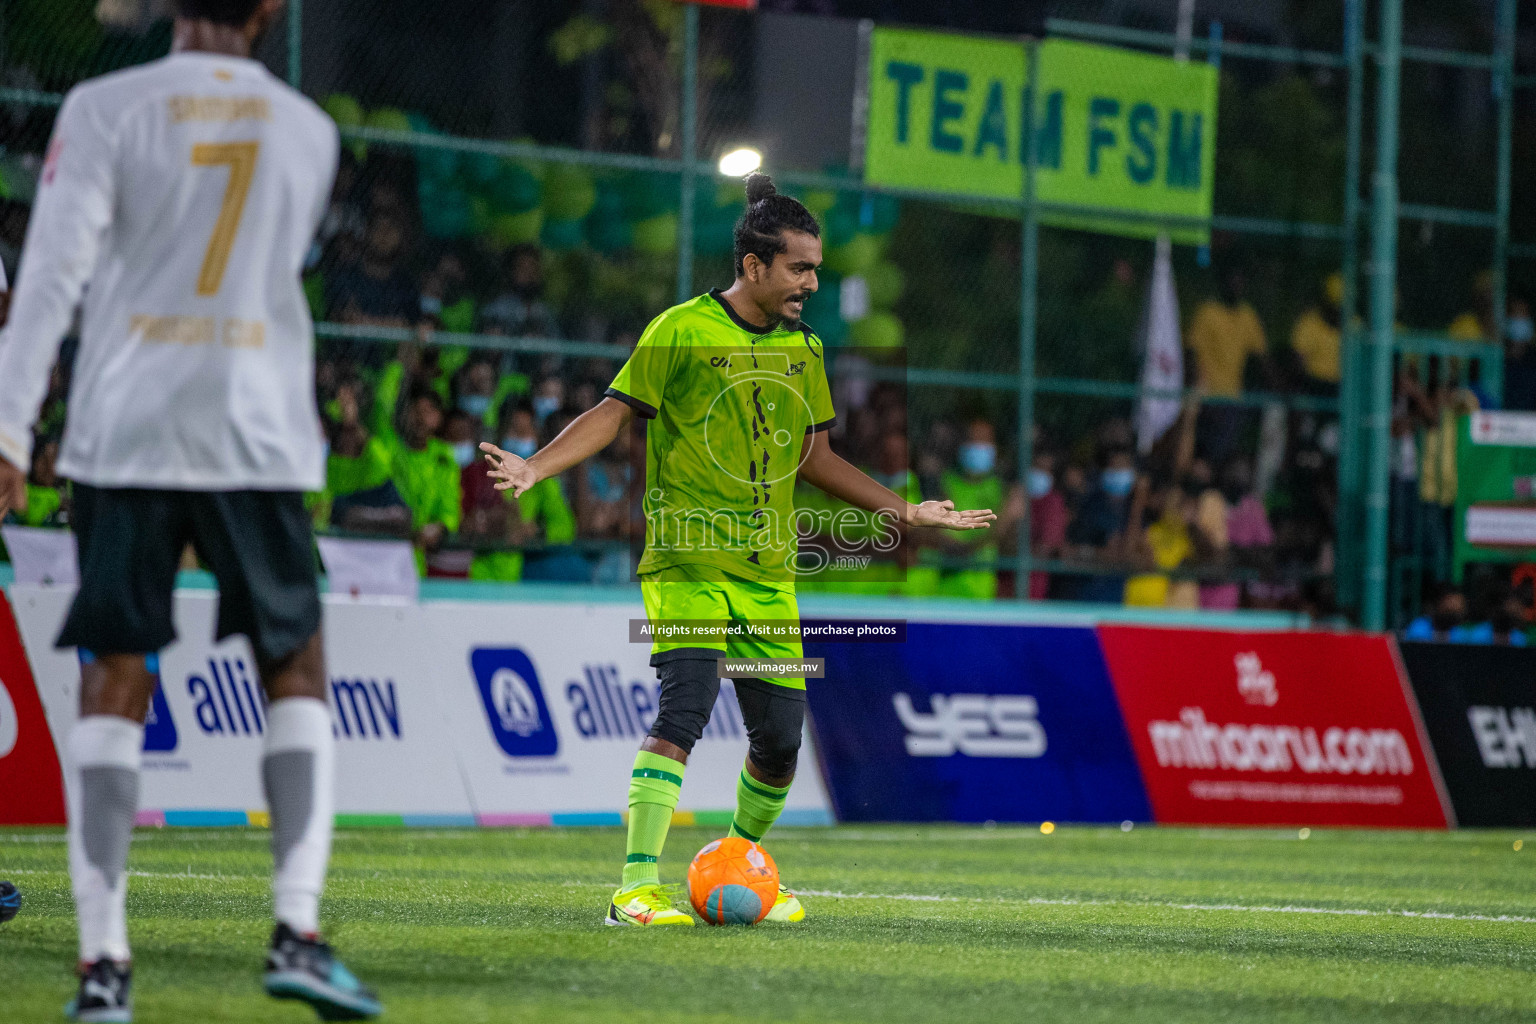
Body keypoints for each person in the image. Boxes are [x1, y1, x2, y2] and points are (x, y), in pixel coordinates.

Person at [477, 172, 994, 928]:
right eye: (799, 268)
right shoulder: (679, 330)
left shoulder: (804, 347)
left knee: (781, 742)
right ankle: (634, 888)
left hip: (766, 575)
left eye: (816, 267)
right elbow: (613, 414)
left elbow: (816, 459)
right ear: (754, 266)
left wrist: (905, 510)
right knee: (685, 706)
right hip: (687, 562)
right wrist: (536, 466)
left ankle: (740, 861)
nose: (812, 283)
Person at [0, 2, 380, 1020]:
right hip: (252, 432)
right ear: (268, 12)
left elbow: (49, 280)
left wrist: (4, 428)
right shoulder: (309, 128)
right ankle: (297, 929)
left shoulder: (105, 104)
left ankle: (102, 965)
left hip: (124, 430)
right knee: (295, 663)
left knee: (114, 674)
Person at [1186, 265, 1269, 465]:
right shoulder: (1207, 313)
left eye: (1240, 281)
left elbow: (1262, 359)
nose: (1236, 286)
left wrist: (1284, 391)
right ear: (1222, 282)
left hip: (1232, 400)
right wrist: (1194, 389)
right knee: (1199, 456)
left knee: (1223, 457)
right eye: (1232, 280)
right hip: (1204, 399)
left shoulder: (1247, 316)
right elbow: (1190, 353)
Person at [936, 418, 1005, 599]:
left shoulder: (1000, 489)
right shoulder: (945, 484)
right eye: (973, 440)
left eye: (984, 441)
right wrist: (1001, 526)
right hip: (944, 592)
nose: (979, 446)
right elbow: (952, 549)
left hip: (984, 596)